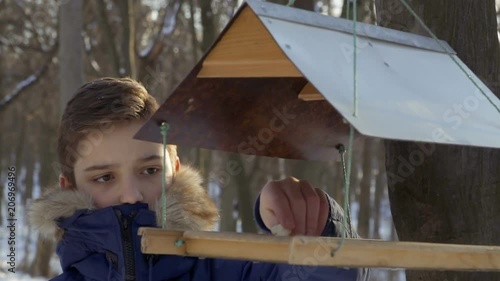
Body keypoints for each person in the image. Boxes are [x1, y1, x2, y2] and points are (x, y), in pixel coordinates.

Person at [28, 77, 368, 281]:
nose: (131, 195)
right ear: (69, 189)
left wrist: (316, 224)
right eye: (104, 178)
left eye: (150, 171)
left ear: (175, 170)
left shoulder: (233, 273)